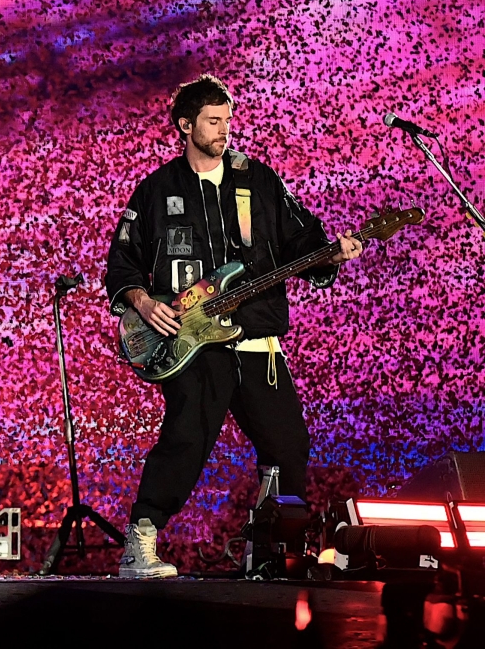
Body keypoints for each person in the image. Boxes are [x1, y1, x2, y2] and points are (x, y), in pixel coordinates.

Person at [104, 75, 363, 578]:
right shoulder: (157, 189)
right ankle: (140, 541)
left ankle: (275, 550)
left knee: (288, 446)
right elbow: (122, 264)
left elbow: (302, 240)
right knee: (187, 437)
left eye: (228, 119)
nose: (225, 129)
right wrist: (142, 301)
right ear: (186, 126)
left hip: (256, 338)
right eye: (213, 121)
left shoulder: (258, 180)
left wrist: (331, 254)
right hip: (193, 342)